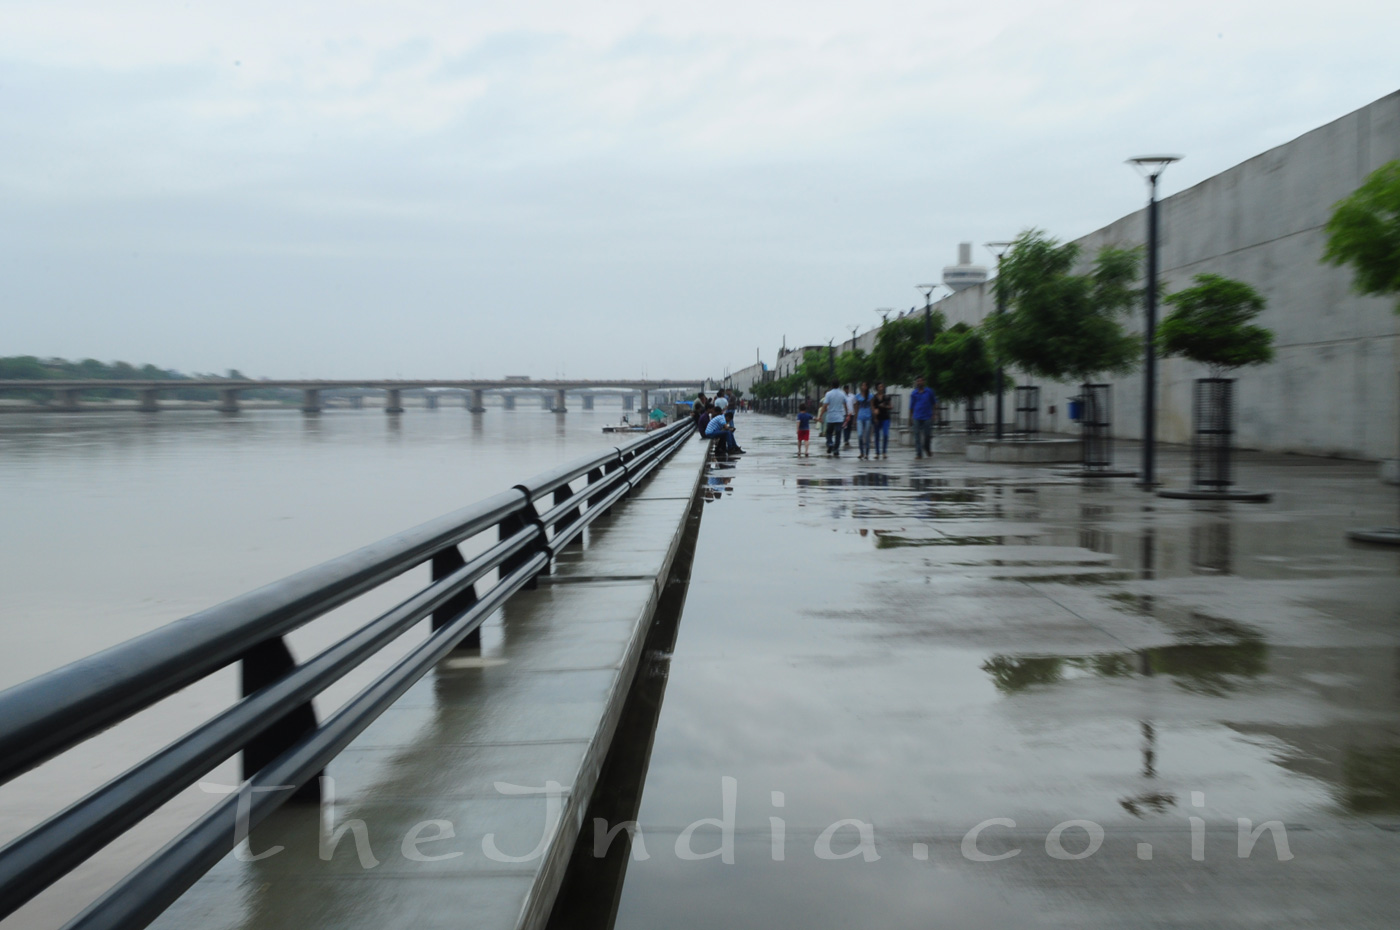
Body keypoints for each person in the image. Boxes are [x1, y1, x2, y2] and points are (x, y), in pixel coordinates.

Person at [909, 375, 937, 459]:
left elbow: (934, 403)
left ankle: (927, 448)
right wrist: (910, 418)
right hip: (917, 416)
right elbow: (911, 406)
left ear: (923, 382)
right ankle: (919, 453)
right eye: (918, 381)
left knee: (927, 435)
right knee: (917, 435)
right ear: (916, 383)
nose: (919, 382)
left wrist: (934, 414)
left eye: (921, 381)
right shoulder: (914, 393)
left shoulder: (929, 392)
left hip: (927, 416)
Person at [819, 381, 848, 457]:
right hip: (839, 417)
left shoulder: (828, 394)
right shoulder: (842, 393)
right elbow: (845, 404)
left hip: (830, 417)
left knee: (829, 432)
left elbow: (825, 406)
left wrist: (820, 415)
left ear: (831, 385)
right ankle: (836, 449)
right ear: (839, 385)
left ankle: (830, 443)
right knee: (838, 434)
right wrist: (847, 414)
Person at [872, 383, 893, 459]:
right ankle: (877, 453)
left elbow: (891, 406)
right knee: (877, 436)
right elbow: (873, 407)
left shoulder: (887, 397)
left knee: (885, 434)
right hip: (877, 418)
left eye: (882, 386)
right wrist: (875, 413)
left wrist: (885, 406)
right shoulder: (874, 397)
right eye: (880, 386)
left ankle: (884, 452)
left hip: (885, 418)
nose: (881, 388)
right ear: (877, 388)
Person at [854, 381, 874, 460]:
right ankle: (861, 452)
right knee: (860, 435)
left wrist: (874, 416)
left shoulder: (870, 396)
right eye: (862, 385)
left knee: (867, 436)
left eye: (865, 385)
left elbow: (872, 406)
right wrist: (855, 418)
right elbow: (856, 406)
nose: (863, 387)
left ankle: (867, 453)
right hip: (860, 417)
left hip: (868, 416)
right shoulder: (858, 396)